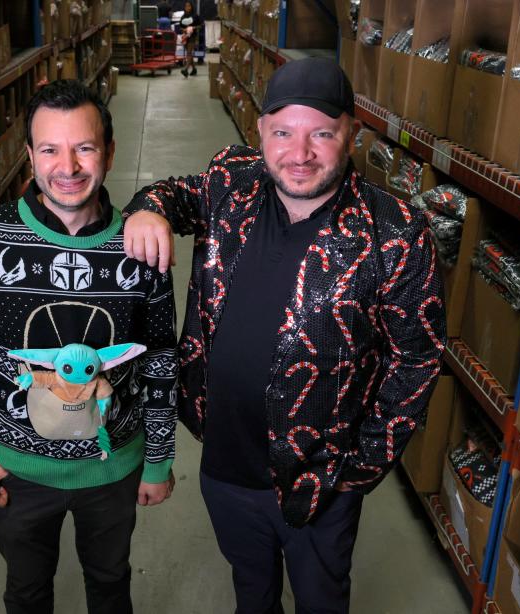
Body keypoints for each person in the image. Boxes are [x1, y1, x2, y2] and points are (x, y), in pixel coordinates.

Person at [122, 57, 446, 613]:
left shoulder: (394, 234)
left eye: (321, 133)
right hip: (225, 463)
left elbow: (415, 360)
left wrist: (359, 468)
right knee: (252, 591)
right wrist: (146, 208)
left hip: (320, 479)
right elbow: (176, 192)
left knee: (320, 599)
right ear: (261, 133)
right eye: (283, 133)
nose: (299, 155)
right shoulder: (232, 180)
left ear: (352, 134)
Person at [0, 79, 178, 614]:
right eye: (50, 149)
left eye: (84, 147)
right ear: (29, 155)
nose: (67, 166)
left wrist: (157, 462)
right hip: (16, 470)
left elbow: (161, 362)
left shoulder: (141, 246)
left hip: (113, 469)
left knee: (111, 586)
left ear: (109, 152)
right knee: (26, 592)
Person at [176, 1, 202, 77]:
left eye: (189, 6)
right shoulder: (183, 16)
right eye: (186, 6)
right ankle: (194, 69)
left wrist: (193, 27)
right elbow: (180, 27)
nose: (187, 8)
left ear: (191, 7)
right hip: (185, 37)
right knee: (189, 54)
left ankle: (186, 70)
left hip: (193, 36)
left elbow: (201, 25)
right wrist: (183, 29)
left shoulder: (195, 16)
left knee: (189, 53)